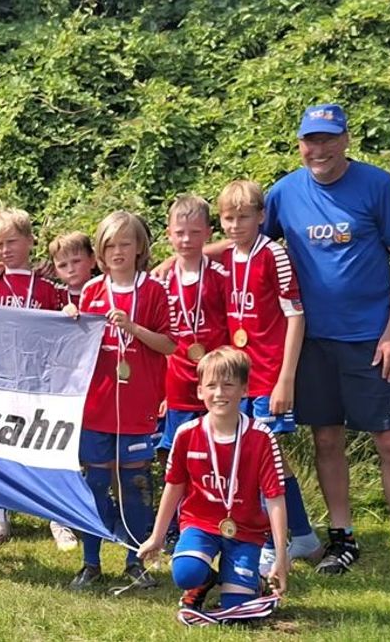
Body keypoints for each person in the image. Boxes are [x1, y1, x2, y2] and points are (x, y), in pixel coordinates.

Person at [263, 103, 390, 582]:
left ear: (345, 140)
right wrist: (188, 256)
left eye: (327, 139)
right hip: (311, 341)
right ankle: (342, 539)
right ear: (300, 144)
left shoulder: (377, 185)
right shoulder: (283, 193)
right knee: (326, 438)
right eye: (310, 141)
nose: (318, 149)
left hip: (371, 339)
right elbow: (250, 246)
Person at [216, 180, 322, 575]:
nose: (235, 225)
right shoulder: (227, 257)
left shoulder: (274, 255)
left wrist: (285, 379)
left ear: (262, 217)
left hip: (269, 377)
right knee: (269, 458)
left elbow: (296, 317)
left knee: (260, 458)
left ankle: (264, 545)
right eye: (228, 218)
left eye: (244, 217)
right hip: (239, 378)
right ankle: (304, 535)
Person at [66, 211, 176, 590]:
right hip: (97, 406)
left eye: (125, 244)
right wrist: (71, 317)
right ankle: (90, 562)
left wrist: (133, 327)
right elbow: (77, 344)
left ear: (139, 247)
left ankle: (135, 562)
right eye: (110, 245)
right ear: (100, 251)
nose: (117, 251)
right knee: (95, 483)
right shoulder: (92, 290)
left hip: (138, 405)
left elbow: (169, 344)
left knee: (136, 484)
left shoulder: (155, 290)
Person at [138, 347, 288, 614]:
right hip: (200, 523)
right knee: (186, 573)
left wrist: (280, 554)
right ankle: (204, 581)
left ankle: (249, 583)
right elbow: (174, 486)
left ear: (244, 390)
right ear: (200, 391)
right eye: (211, 386)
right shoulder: (186, 434)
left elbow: (275, 497)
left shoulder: (261, 436)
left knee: (237, 610)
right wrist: (157, 537)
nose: (219, 393)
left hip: (246, 530)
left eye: (228, 385)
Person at [0, 207, 75, 552]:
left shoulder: (48, 287)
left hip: (39, 381)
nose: (5, 250)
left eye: (12, 242)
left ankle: (58, 519)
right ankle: (0, 521)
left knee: (47, 448)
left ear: (30, 241)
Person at [155, 196, 229, 552]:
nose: (186, 240)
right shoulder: (159, 281)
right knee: (174, 455)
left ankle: (220, 519)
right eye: (180, 233)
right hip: (177, 384)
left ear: (208, 234)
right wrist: (159, 391)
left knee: (220, 454)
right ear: (169, 234)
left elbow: (233, 328)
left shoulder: (221, 277)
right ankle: (173, 525)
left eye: (195, 232)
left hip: (216, 385)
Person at [48, 231, 98, 311]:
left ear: (92, 260)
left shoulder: (105, 291)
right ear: (55, 271)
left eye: (76, 261)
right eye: (62, 265)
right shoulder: (54, 297)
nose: (71, 269)